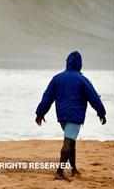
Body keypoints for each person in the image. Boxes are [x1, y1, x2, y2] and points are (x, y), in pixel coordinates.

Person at [35, 51, 107, 180]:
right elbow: (94, 98)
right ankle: (59, 171)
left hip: (62, 115)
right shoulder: (82, 79)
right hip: (75, 115)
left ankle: (73, 168)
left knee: (71, 140)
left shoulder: (57, 78)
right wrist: (101, 112)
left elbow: (47, 97)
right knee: (68, 142)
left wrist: (40, 112)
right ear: (79, 64)